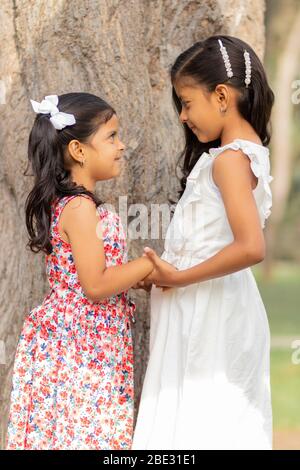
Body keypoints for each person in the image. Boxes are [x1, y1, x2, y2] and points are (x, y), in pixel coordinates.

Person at [6, 92, 175, 450]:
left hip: (89, 341)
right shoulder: (80, 207)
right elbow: (96, 285)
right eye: (111, 136)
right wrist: (149, 263)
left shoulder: (78, 204)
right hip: (80, 348)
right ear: (79, 151)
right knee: (85, 436)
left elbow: (101, 273)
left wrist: (136, 277)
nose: (121, 145)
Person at [132, 35, 275, 450]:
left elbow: (251, 247)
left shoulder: (230, 161)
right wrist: (165, 273)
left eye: (186, 102)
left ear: (222, 96)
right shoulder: (236, 155)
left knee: (203, 425)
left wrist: (179, 276)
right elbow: (211, 239)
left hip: (209, 314)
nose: (182, 116)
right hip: (203, 304)